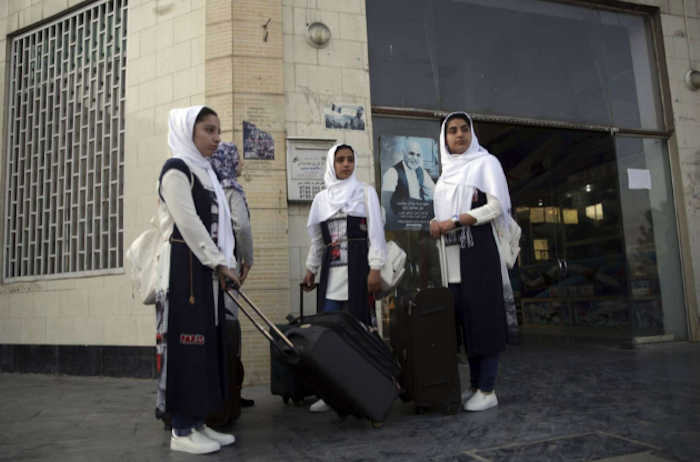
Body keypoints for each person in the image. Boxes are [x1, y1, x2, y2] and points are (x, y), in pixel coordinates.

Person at [155, 106, 239, 454]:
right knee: (187, 347)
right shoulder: (176, 170)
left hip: (203, 269)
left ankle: (199, 423)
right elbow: (189, 225)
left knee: (207, 346)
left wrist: (222, 263)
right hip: (185, 268)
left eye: (218, 130)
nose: (217, 138)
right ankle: (182, 430)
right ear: (188, 132)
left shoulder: (206, 172)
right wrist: (220, 264)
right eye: (209, 130)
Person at [430, 112, 518, 412]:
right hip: (452, 260)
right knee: (466, 324)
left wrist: (454, 220)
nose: (459, 135)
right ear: (445, 139)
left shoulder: (485, 162)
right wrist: (435, 222)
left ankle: (488, 388)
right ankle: (475, 385)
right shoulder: (444, 176)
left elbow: (497, 206)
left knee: (485, 322)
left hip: (479, 253)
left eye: (464, 129)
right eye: (452, 131)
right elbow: (444, 214)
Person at [301, 144, 386, 413]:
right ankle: (331, 394)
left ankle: (362, 389)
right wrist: (310, 269)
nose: (346, 164)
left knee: (359, 331)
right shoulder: (321, 200)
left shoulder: (365, 192)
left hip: (359, 272)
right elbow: (317, 241)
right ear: (332, 163)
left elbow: (376, 232)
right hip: (330, 276)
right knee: (327, 334)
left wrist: (376, 267)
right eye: (340, 160)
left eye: (350, 159)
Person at [209, 141, 255, 408]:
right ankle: (230, 391)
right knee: (230, 327)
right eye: (238, 159)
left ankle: (221, 390)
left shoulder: (209, 187)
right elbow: (243, 227)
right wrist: (247, 260)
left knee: (215, 327)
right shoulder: (231, 189)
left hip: (208, 267)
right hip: (228, 268)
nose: (242, 164)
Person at [381, 139, 436, 214]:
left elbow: (434, 194)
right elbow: (385, 203)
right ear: (404, 153)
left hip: (418, 215)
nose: (415, 158)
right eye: (411, 154)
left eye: (418, 155)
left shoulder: (421, 171)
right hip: (400, 216)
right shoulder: (392, 172)